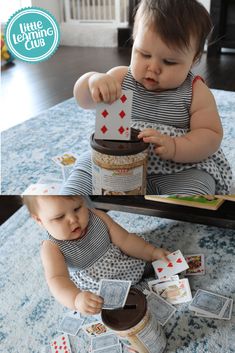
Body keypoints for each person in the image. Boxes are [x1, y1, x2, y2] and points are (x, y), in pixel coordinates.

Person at [61, 0, 232, 195]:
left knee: (199, 186)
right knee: (83, 169)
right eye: (144, 54)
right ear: (134, 42)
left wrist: (176, 147)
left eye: (169, 61)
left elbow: (210, 135)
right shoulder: (119, 78)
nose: (153, 68)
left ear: (193, 59)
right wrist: (92, 81)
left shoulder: (196, 92)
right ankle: (71, 207)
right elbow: (83, 100)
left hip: (175, 169)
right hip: (114, 164)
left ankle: (178, 217)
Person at [23, 195, 170, 315]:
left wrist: (151, 252)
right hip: (96, 282)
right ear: (39, 220)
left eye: (77, 208)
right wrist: (76, 299)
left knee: (148, 260)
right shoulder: (51, 247)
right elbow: (57, 280)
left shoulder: (97, 217)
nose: (73, 219)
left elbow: (125, 239)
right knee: (109, 304)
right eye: (60, 217)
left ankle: (149, 271)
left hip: (120, 261)